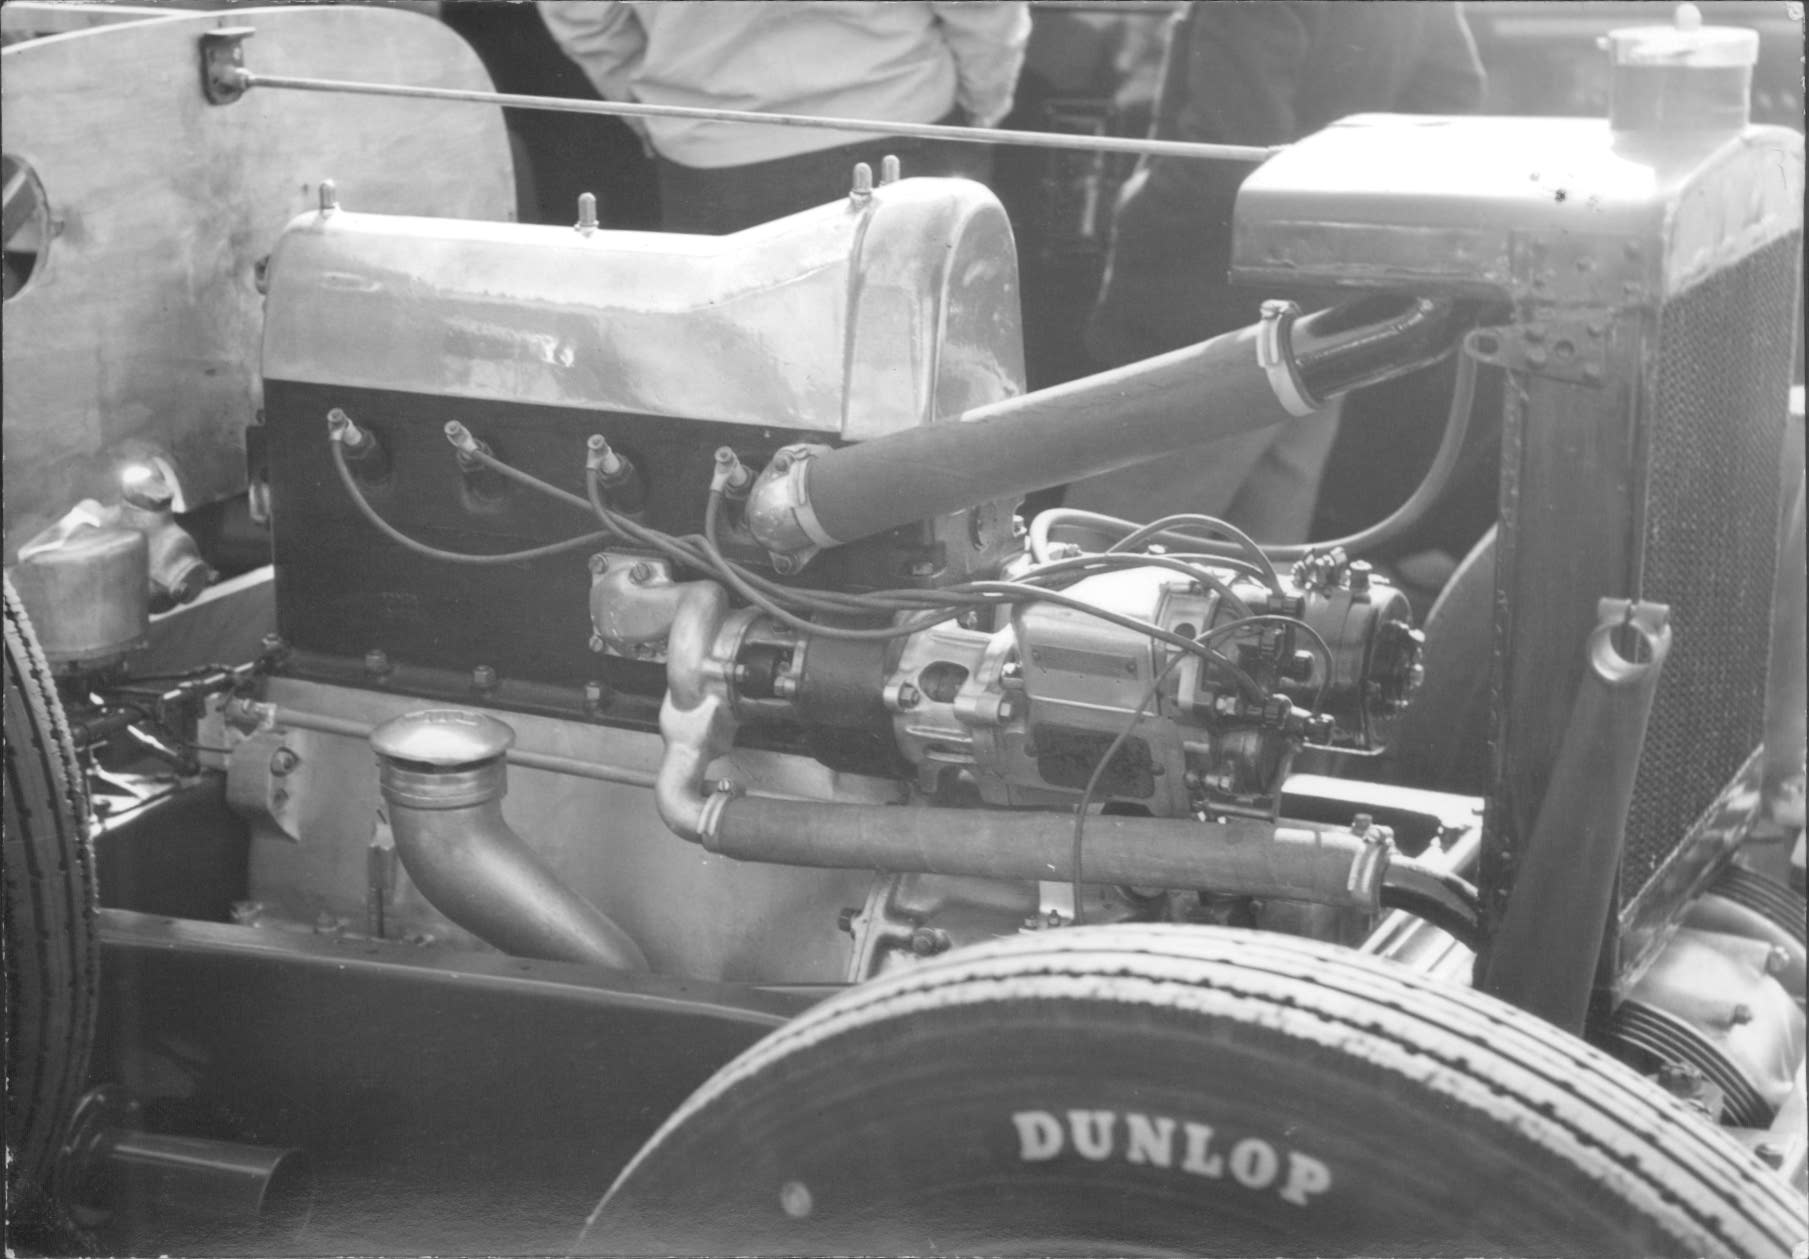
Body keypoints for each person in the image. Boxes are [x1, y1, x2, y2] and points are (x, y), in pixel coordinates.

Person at [1066, 1, 1486, 543]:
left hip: (1202, 300)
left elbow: (1229, 151)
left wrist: (1139, 207)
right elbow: (1452, 96)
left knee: (1096, 553)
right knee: (1262, 559)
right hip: (1326, 302)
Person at [539, 1, 1031, 234]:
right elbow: (984, 10)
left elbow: (582, 17)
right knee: (915, 364)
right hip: (903, 119)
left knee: (743, 370)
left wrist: (655, 107)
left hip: (712, 150)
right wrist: (982, 105)